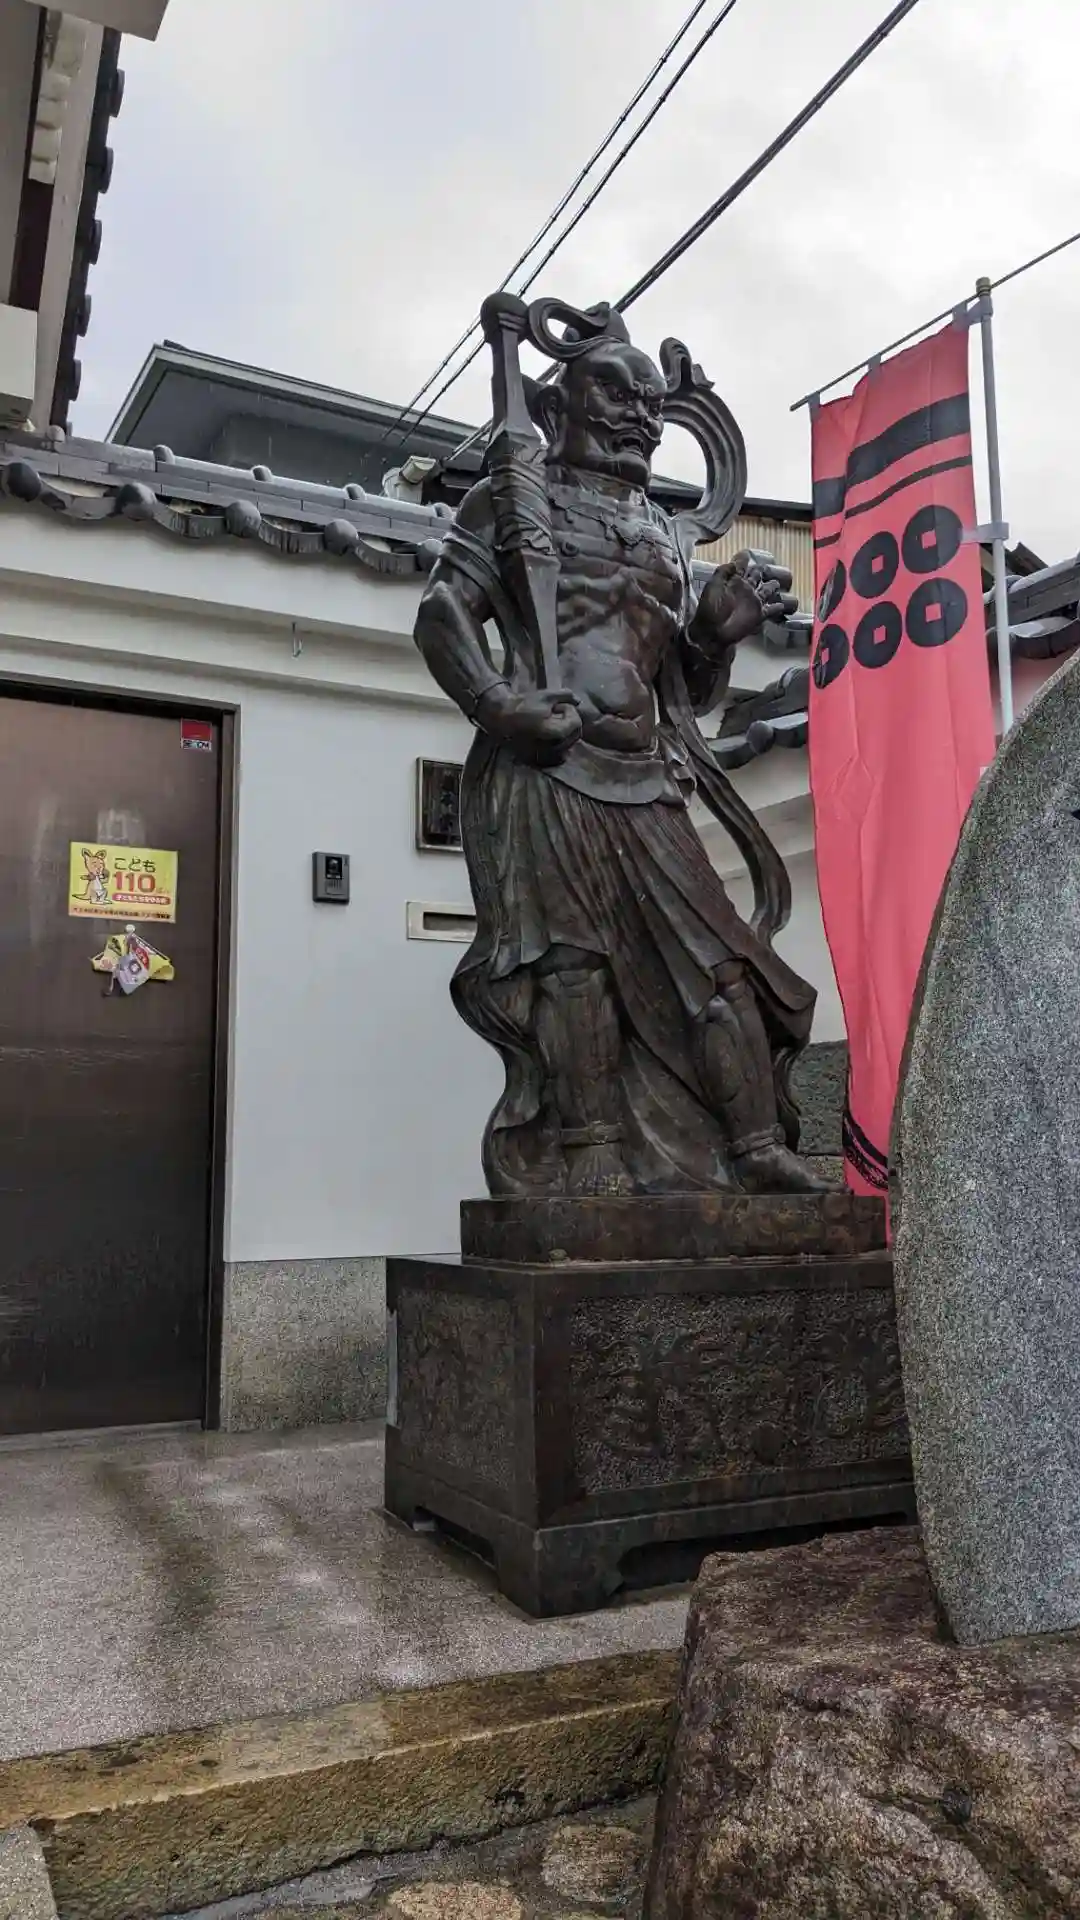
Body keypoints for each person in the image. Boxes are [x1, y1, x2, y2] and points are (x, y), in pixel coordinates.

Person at [414, 303, 826, 1199]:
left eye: (650, 402)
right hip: (550, 768)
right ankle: (590, 1152)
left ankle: (755, 1145)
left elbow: (689, 690)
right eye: (614, 392)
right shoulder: (510, 497)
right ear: (553, 405)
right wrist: (497, 704)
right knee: (573, 968)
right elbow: (443, 613)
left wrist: (714, 635)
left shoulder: (664, 534)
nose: (638, 415)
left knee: (724, 968)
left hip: (647, 774)